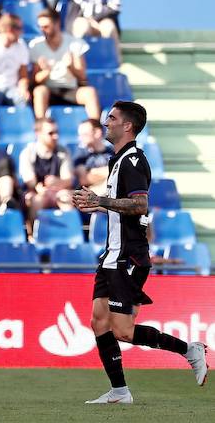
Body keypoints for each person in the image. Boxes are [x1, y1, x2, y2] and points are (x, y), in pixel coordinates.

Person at [73, 101, 207, 404]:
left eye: (112, 118)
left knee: (121, 330)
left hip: (127, 257)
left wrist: (101, 201)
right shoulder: (117, 160)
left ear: (127, 126)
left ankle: (189, 350)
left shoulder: (133, 161)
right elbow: (124, 204)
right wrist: (97, 202)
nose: (106, 122)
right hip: (113, 254)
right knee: (98, 320)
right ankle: (119, 391)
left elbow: (140, 205)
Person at [29, 9, 101, 120]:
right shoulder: (36, 45)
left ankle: (95, 128)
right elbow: (35, 80)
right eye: (40, 27)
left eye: (46, 26)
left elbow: (82, 76)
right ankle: (41, 126)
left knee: (90, 93)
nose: (42, 30)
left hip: (70, 89)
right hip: (49, 90)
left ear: (57, 24)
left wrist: (70, 66)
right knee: (39, 91)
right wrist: (46, 72)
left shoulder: (75, 43)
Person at [18, 118, 74, 236]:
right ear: (38, 133)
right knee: (37, 200)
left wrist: (56, 182)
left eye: (56, 132)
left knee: (66, 197)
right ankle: (33, 236)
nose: (55, 136)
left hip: (56, 192)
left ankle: (70, 236)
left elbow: (68, 180)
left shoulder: (63, 151)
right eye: (51, 133)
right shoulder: (28, 153)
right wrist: (40, 189)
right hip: (35, 193)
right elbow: (30, 182)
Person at [73, 118, 115, 196]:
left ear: (97, 133)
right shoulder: (81, 155)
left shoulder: (113, 152)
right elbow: (84, 179)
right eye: (80, 135)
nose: (80, 138)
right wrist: (108, 171)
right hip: (89, 194)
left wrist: (93, 171)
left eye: (84, 134)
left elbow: (120, 173)